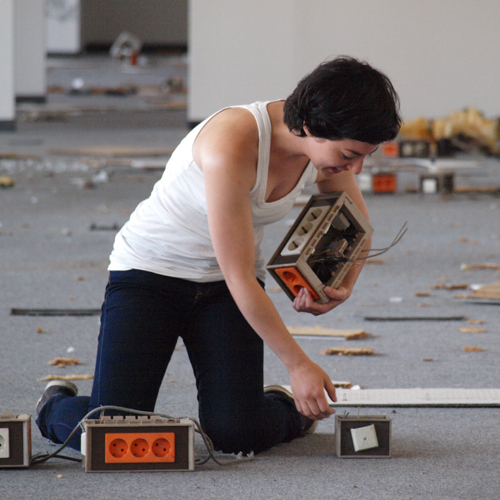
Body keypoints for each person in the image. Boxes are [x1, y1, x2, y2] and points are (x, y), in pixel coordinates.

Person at [36, 56, 401, 455]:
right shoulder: (232, 141)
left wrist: (342, 284)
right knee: (112, 432)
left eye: (364, 157)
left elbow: (358, 227)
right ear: (314, 127)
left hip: (222, 291)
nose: (356, 168)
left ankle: (288, 409)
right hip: (150, 276)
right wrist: (298, 365)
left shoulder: (324, 149)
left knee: (237, 433)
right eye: (350, 155)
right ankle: (52, 405)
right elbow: (239, 274)